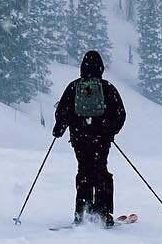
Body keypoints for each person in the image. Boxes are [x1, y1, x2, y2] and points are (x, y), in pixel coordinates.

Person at [53, 50, 126, 225]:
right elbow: (120, 114)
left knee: (84, 171)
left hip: (80, 138)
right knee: (101, 171)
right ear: (101, 67)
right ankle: (102, 212)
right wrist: (110, 131)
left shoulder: (74, 87)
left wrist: (59, 129)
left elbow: (62, 111)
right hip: (101, 139)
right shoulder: (107, 87)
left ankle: (81, 212)